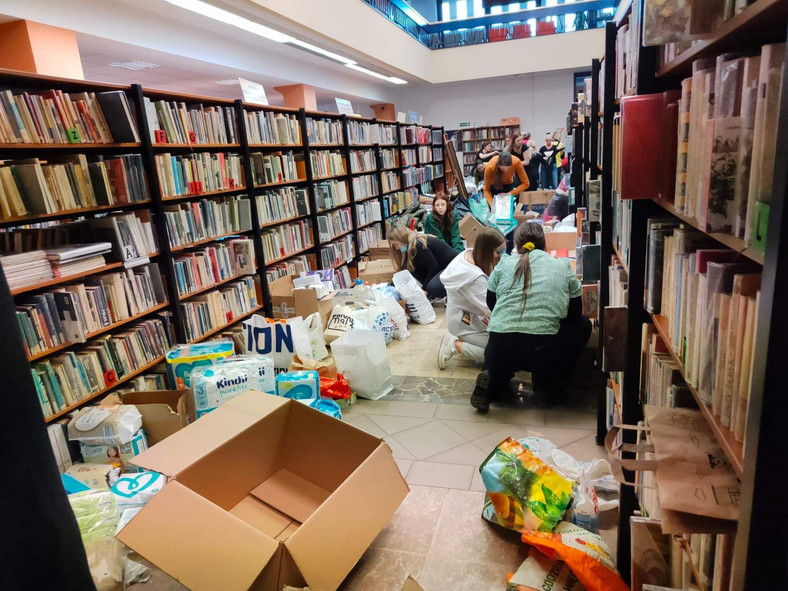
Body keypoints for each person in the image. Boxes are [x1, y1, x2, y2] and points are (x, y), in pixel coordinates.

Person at [470, 222, 591, 413]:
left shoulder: (504, 264)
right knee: (583, 325)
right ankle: (549, 382)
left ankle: (493, 379)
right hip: (544, 349)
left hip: (502, 345)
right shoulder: (562, 265)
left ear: (517, 246)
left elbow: (492, 303)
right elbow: (574, 314)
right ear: (544, 245)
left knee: (502, 347)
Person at [438, 228, 506, 369]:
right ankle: (454, 346)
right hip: (465, 324)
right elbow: (493, 310)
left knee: (504, 345)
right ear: (486, 251)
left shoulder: (470, 253)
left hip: (466, 316)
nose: (500, 257)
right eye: (498, 252)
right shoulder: (474, 278)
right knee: (503, 353)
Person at [388, 226, 459, 299]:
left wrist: (425, 290)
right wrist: (390, 287)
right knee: (413, 272)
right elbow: (405, 271)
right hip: (443, 267)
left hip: (454, 267)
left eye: (396, 244)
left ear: (401, 238)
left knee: (433, 288)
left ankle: (456, 293)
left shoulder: (418, 244)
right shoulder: (410, 245)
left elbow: (433, 268)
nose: (396, 248)